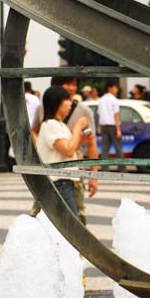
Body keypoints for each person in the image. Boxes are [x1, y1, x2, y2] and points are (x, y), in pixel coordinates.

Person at [31, 77, 99, 221]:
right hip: (59, 180)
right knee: (69, 225)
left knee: (67, 222)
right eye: (66, 99)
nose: (72, 89)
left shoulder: (68, 120)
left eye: (74, 84)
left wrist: (94, 175)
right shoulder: (50, 124)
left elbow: (84, 144)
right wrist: (77, 129)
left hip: (68, 178)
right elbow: (67, 149)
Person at [97, 82, 123, 169]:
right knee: (118, 147)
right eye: (115, 87)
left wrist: (100, 127)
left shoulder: (101, 100)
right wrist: (118, 129)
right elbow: (116, 115)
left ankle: (104, 168)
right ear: (110, 88)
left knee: (105, 148)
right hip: (113, 126)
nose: (117, 89)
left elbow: (99, 114)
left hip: (104, 126)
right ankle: (122, 168)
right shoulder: (114, 100)